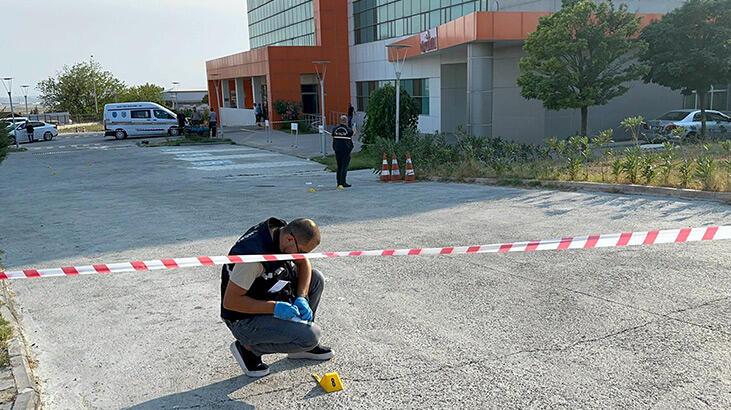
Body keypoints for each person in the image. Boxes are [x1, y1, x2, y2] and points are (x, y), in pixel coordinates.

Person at [221, 218, 332, 377]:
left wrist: (302, 297)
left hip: (267, 292)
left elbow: (303, 263)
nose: (301, 256)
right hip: (243, 318)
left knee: (316, 278)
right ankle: (248, 349)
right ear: (289, 239)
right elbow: (230, 302)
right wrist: (274, 307)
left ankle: (301, 349)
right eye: (301, 251)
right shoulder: (254, 258)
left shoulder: (281, 232)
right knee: (311, 336)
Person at [330, 115, 354, 188]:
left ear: (340, 120)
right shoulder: (348, 129)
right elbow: (351, 134)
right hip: (346, 150)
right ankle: (343, 182)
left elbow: (333, 135)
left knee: (339, 166)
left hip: (337, 150)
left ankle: (338, 182)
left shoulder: (335, 129)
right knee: (344, 166)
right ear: (346, 121)